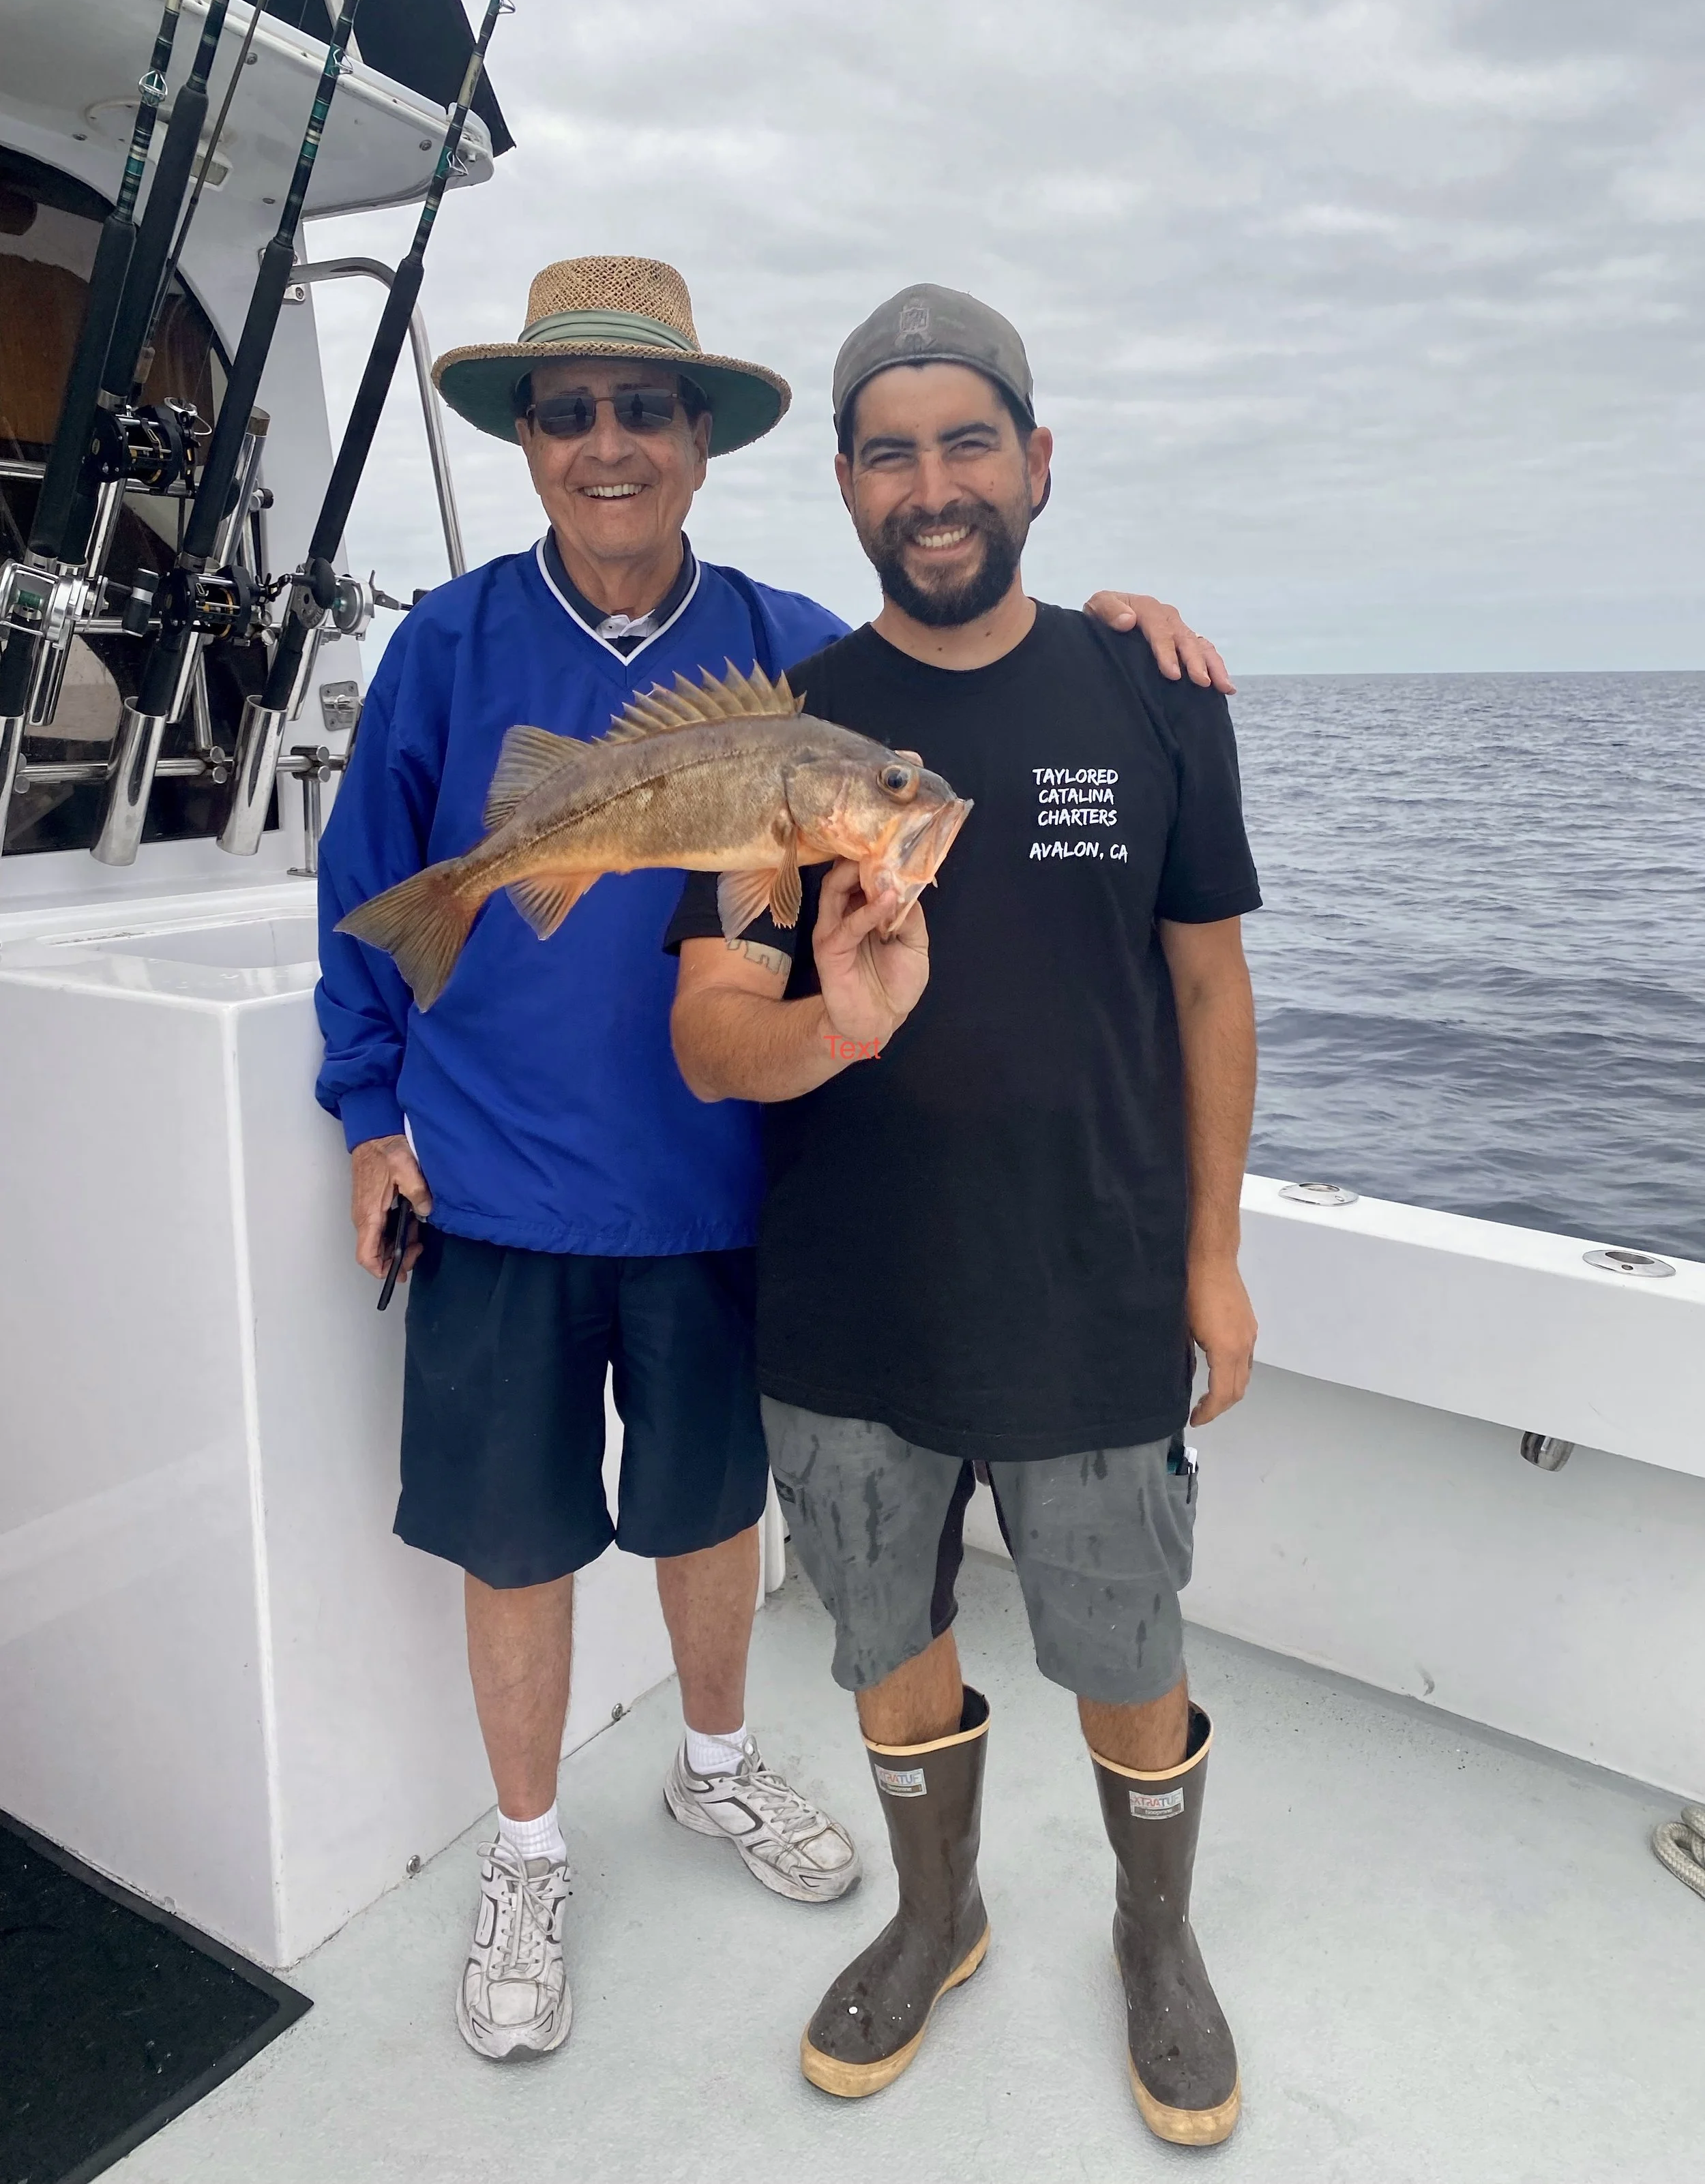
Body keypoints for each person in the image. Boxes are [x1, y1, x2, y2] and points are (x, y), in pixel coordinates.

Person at [314, 253, 1234, 2065]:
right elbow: (368, 905)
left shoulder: (782, 647)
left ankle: (716, 1766)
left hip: (728, 1199)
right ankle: (523, 1848)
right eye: (565, 409)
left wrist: (1119, 632)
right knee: (515, 1538)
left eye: (641, 407)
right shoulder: (443, 643)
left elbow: (942, 667)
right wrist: (368, 1115)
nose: (605, 441)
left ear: (698, 441)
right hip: (492, 1184)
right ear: (522, 440)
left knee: (707, 1511)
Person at [668, 284, 1260, 2144]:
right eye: (887, 450)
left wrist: (1213, 1256)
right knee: (882, 1627)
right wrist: (829, 1027)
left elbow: (1207, 993)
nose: (931, 485)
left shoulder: (1147, 687)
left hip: (1091, 1280)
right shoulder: (787, 728)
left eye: (966, 442)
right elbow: (704, 1036)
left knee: (1124, 1640)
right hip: (849, 1294)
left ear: (1036, 460)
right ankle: (940, 1913)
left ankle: (1151, 1943)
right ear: (843, 483)